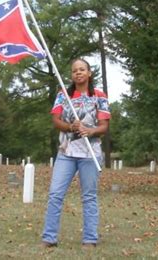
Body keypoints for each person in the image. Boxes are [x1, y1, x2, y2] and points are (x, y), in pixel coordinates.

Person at [41, 58, 111, 248]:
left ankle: (90, 239)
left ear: (89, 73)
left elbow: (104, 126)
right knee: (55, 194)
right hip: (66, 152)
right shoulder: (63, 95)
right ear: (72, 75)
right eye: (74, 71)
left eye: (82, 70)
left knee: (89, 196)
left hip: (90, 154)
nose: (78, 73)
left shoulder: (99, 96)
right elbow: (56, 121)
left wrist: (91, 131)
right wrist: (71, 127)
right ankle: (49, 237)